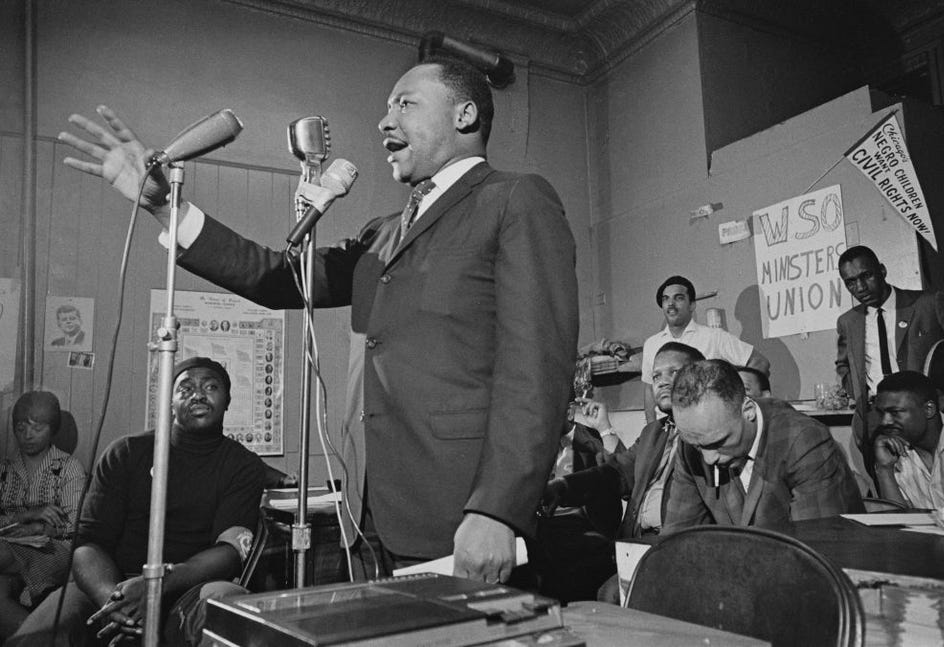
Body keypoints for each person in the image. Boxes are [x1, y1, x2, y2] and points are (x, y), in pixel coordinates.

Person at [58, 56, 578, 584]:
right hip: (369, 515)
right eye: (385, 107)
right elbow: (275, 277)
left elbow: (539, 369)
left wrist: (497, 510)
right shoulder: (382, 233)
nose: (384, 121)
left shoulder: (515, 199)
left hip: (463, 512)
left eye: (405, 103)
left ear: (465, 115)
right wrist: (165, 206)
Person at [9, 357, 266, 647]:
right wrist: (114, 603)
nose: (199, 394)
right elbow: (88, 545)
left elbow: (229, 552)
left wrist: (156, 587)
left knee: (232, 612)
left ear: (227, 400)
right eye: (186, 387)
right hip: (113, 585)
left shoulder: (242, 466)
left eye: (211, 386)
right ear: (168, 400)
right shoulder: (126, 453)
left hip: (189, 588)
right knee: (40, 635)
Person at [541, 342, 705, 603]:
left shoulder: (705, 433)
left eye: (673, 372)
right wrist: (562, 487)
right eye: (656, 375)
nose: (662, 382)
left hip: (673, 548)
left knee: (608, 594)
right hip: (631, 544)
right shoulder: (653, 433)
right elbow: (615, 472)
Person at [663, 359, 864, 533]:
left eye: (718, 442)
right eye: (698, 446)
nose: (708, 459)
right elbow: (676, 540)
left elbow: (816, 547)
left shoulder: (803, 440)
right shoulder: (692, 443)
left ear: (748, 411)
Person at [835, 245, 944, 479]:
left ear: (882, 270)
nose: (860, 288)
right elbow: (843, 365)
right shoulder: (847, 322)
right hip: (875, 424)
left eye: (866, 276)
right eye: (850, 282)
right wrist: (860, 396)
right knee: (894, 501)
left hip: (930, 421)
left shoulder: (929, 303)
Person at [0, 392, 85, 640]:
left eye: (38, 427)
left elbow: (75, 527)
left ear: (52, 429)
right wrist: (29, 515)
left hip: (55, 549)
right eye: (21, 427)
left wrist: (38, 529)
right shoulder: (4, 470)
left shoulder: (69, 468)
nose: (28, 435)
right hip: (10, 547)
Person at [525, 398, 625, 603]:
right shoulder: (531, 441)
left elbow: (619, 471)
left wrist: (605, 429)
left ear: (569, 413)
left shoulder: (591, 439)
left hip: (584, 533)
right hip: (541, 529)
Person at [641, 276, 769, 422]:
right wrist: (651, 431)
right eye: (665, 299)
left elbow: (759, 362)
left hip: (707, 425)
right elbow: (649, 390)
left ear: (692, 305)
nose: (671, 304)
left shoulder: (714, 337)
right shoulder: (651, 344)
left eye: (679, 298)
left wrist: (734, 399)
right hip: (667, 428)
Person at [872, 371, 944, 510]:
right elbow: (896, 524)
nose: (884, 421)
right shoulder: (889, 452)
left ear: (929, 409)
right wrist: (884, 469)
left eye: (895, 412)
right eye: (881, 413)